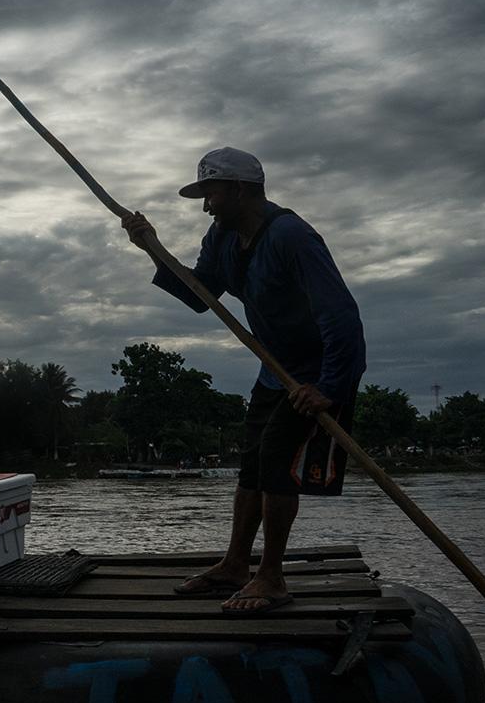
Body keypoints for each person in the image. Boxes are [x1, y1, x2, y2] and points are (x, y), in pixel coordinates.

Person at [122, 148, 366, 614]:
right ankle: (236, 564)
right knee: (252, 464)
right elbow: (200, 295)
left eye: (210, 193)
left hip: (316, 373)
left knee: (277, 460)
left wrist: (328, 388)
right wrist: (153, 249)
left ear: (238, 189)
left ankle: (271, 577)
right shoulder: (222, 238)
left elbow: (341, 317)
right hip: (272, 370)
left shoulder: (292, 237)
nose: (206, 205)